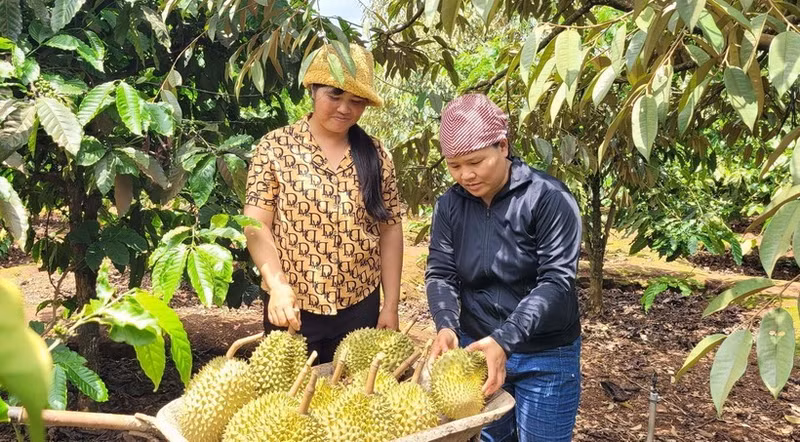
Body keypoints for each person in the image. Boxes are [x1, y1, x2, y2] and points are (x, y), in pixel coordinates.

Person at [425, 94, 582, 441]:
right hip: (476, 351)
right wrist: (447, 326)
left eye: (476, 162)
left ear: (503, 145)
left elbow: (557, 281)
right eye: (454, 165)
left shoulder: (549, 197)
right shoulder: (449, 205)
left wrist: (505, 340)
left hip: (546, 355)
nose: (465, 174)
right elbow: (441, 273)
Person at [243, 44, 404, 364]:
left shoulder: (376, 154)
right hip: (292, 307)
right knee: (289, 403)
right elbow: (256, 224)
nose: (345, 108)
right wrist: (276, 285)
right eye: (335, 95)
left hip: (360, 305)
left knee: (353, 399)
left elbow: (390, 230)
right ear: (313, 89)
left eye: (356, 101)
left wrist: (390, 305)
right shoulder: (275, 147)